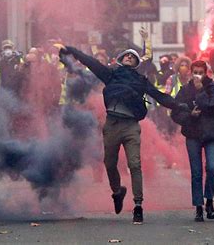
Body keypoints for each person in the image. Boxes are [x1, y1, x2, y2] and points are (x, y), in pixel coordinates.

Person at [59, 45, 181, 224]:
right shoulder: (111, 74)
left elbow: (160, 96)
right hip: (112, 125)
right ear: (121, 59)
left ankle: (138, 206)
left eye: (133, 57)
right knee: (109, 163)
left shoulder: (141, 80)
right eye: (127, 55)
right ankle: (117, 192)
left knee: (135, 164)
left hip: (131, 126)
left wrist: (181, 106)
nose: (130, 57)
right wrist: (72, 51)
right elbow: (90, 62)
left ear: (136, 63)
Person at [171, 60, 214, 222]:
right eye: (195, 72)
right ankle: (198, 207)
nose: (198, 76)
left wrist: (201, 91)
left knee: (212, 167)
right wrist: (189, 115)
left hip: (211, 133)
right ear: (190, 72)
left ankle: (209, 201)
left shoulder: (212, 88)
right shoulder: (185, 90)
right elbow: (176, 112)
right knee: (196, 172)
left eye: (201, 72)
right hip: (193, 133)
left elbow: (211, 105)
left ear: (206, 72)